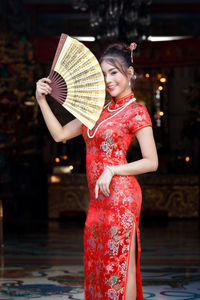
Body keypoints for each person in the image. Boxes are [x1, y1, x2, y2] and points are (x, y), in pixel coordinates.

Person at [36, 42, 158, 300]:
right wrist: (41, 101)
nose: (108, 79)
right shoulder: (96, 111)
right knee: (98, 265)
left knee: (120, 265)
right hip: (98, 200)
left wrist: (112, 170)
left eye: (114, 72)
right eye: (104, 74)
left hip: (122, 198)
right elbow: (59, 135)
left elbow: (151, 161)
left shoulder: (137, 112)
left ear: (130, 72)